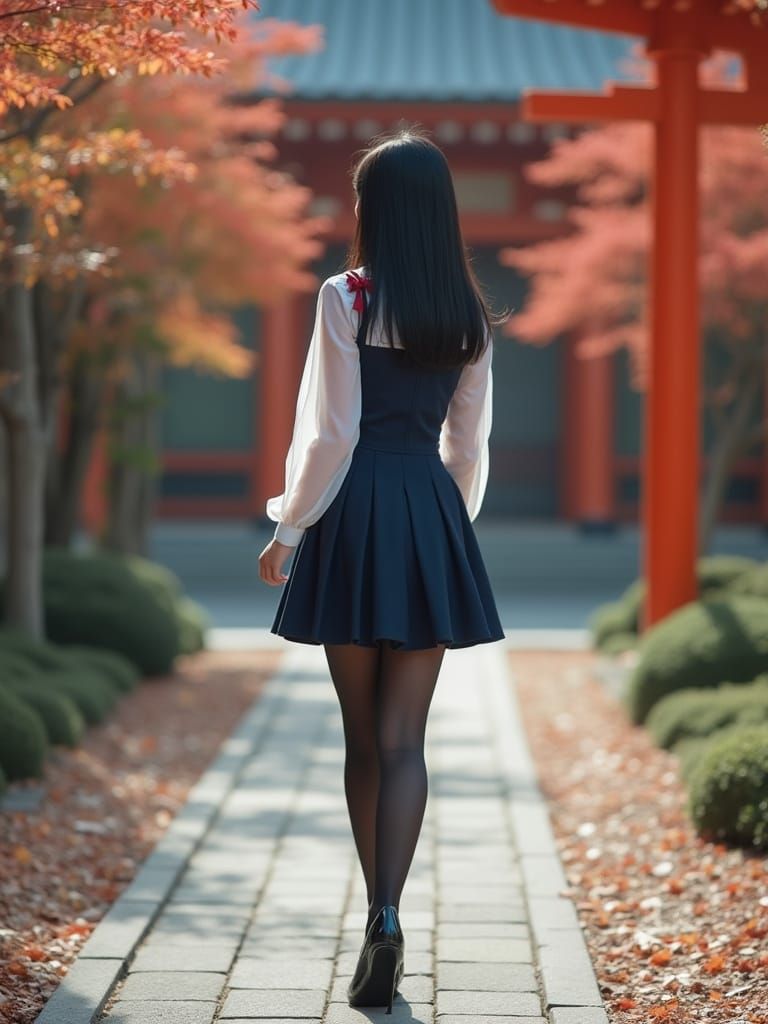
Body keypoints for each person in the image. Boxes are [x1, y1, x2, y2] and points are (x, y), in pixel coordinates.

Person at [258, 125, 505, 1013]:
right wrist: (446, 531)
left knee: (363, 737)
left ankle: (377, 915)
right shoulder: (469, 316)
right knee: (408, 740)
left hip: (355, 513)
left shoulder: (347, 295)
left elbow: (330, 431)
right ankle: (393, 912)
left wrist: (289, 530)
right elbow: (467, 447)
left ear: (376, 208)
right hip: (429, 513)